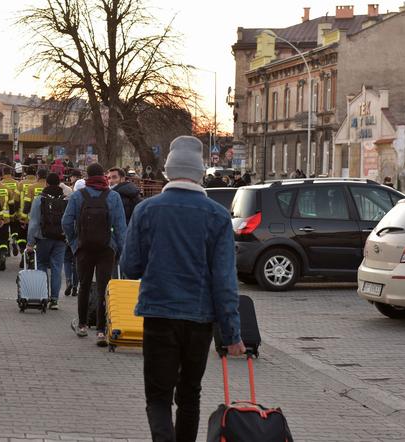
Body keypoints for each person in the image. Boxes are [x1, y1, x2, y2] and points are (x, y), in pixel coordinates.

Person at [120, 135, 244, 442]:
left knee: (159, 397)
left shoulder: (147, 211)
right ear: (201, 172)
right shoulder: (217, 216)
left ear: (168, 171)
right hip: (199, 320)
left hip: (159, 315)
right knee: (190, 395)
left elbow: (130, 266)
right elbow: (225, 281)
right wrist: (231, 335)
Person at [62, 163, 127, 346]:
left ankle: (82, 325)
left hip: (84, 248)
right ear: (104, 176)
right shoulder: (113, 196)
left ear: (87, 177)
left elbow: (66, 222)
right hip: (106, 249)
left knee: (83, 286)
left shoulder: (77, 196)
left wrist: (75, 242)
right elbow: (121, 227)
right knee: (103, 288)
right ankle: (100, 330)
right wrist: (118, 247)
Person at [27, 173, 68, 310]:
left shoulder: (40, 199)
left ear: (46, 184)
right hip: (61, 239)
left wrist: (30, 243)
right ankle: (55, 300)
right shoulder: (66, 199)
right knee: (57, 268)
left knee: (42, 265)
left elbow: (33, 223)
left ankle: (43, 295)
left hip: (43, 238)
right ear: (59, 183)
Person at [16, 166, 37, 265]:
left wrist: (16, 213)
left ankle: (23, 254)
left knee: (21, 237)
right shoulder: (40, 185)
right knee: (34, 238)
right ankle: (32, 257)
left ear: (26, 173)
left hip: (23, 215)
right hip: (37, 217)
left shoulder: (21, 184)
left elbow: (16, 200)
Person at [1, 167, 21, 256]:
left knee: (4, 231)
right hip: (15, 210)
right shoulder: (17, 183)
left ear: (3, 173)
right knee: (14, 227)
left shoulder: (1, 184)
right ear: (11, 173)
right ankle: (14, 240)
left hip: (4, 210)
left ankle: (6, 249)